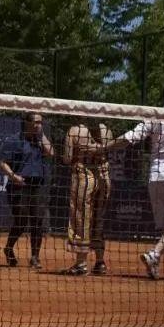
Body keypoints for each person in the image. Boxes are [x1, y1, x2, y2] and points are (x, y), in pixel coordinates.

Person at [99, 80, 164, 281]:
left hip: (156, 176)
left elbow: (129, 138)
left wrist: (103, 148)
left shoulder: (155, 114)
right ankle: (155, 253)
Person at [0, 112, 54, 270]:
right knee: (21, 220)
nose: (39, 125)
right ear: (28, 123)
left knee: (37, 221)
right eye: (36, 122)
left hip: (37, 185)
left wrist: (42, 136)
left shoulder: (40, 140)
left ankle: (35, 257)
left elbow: (51, 153)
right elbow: (2, 163)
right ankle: (9, 248)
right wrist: (13, 176)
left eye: (41, 122)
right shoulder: (14, 140)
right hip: (18, 185)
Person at [61, 118, 113, 275]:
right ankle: (100, 262)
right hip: (104, 177)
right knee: (98, 219)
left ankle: (81, 263)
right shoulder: (107, 130)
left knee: (81, 218)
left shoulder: (74, 130)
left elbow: (67, 158)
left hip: (83, 176)